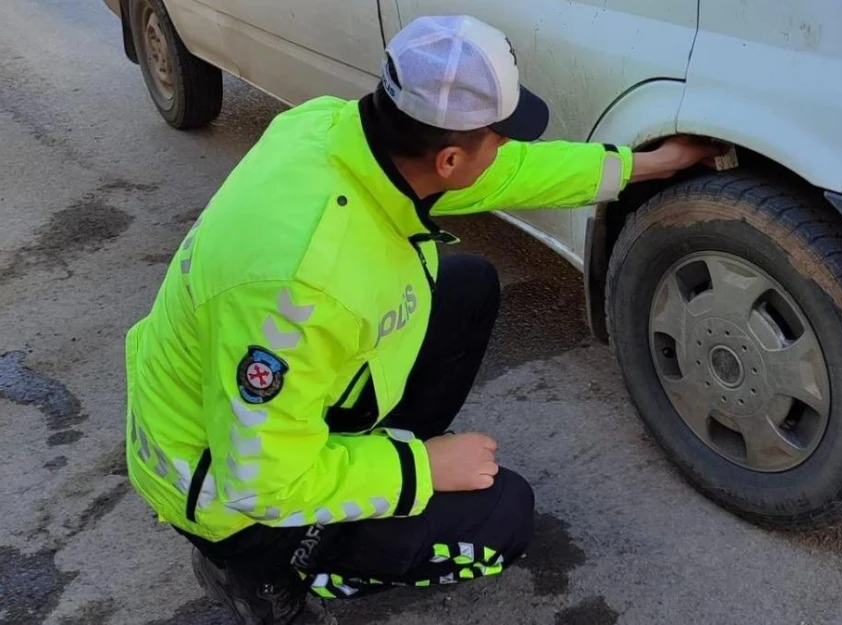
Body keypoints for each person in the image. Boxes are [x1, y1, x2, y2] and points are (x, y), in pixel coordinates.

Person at [123, 14, 720, 625]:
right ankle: (266, 575)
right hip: (228, 492)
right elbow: (260, 481)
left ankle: (361, 475)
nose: (509, 147)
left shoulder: (335, 130)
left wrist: (643, 165)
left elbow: (510, 173)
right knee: (502, 518)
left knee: (466, 286)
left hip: (256, 406)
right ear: (452, 157)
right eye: (501, 135)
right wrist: (422, 469)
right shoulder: (299, 294)